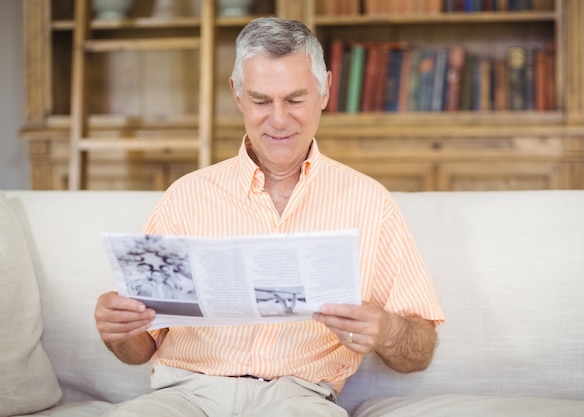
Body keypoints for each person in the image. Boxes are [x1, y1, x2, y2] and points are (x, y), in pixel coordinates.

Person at [94, 17, 445, 417]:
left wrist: (387, 329)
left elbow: (418, 352)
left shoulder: (370, 203)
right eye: (261, 101)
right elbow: (139, 350)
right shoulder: (186, 197)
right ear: (238, 95)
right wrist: (119, 331)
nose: (278, 120)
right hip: (185, 394)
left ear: (326, 89)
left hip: (298, 399)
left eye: (295, 99)